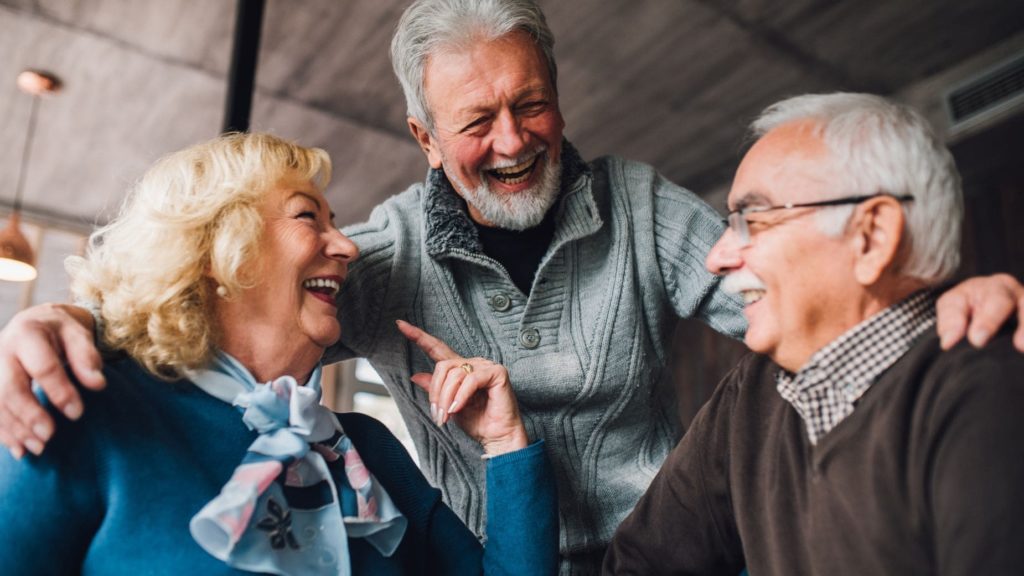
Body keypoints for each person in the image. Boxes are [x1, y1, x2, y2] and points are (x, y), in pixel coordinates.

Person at [1, 1, 1023, 573]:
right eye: (476, 120)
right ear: (422, 137)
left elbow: (805, 307)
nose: (511, 140)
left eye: (531, 105)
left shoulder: (649, 210)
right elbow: (233, 298)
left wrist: (940, 304)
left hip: (660, 558)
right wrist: (67, 319)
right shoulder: (378, 253)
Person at [0, 132, 558, 575]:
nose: (347, 247)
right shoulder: (79, 408)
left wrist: (505, 444)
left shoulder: (367, 450)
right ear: (221, 252)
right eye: (306, 216)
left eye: (334, 223)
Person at [602, 93, 1024, 575]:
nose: (715, 258)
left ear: (872, 237)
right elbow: (639, 565)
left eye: (753, 220)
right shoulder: (751, 395)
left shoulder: (988, 393)